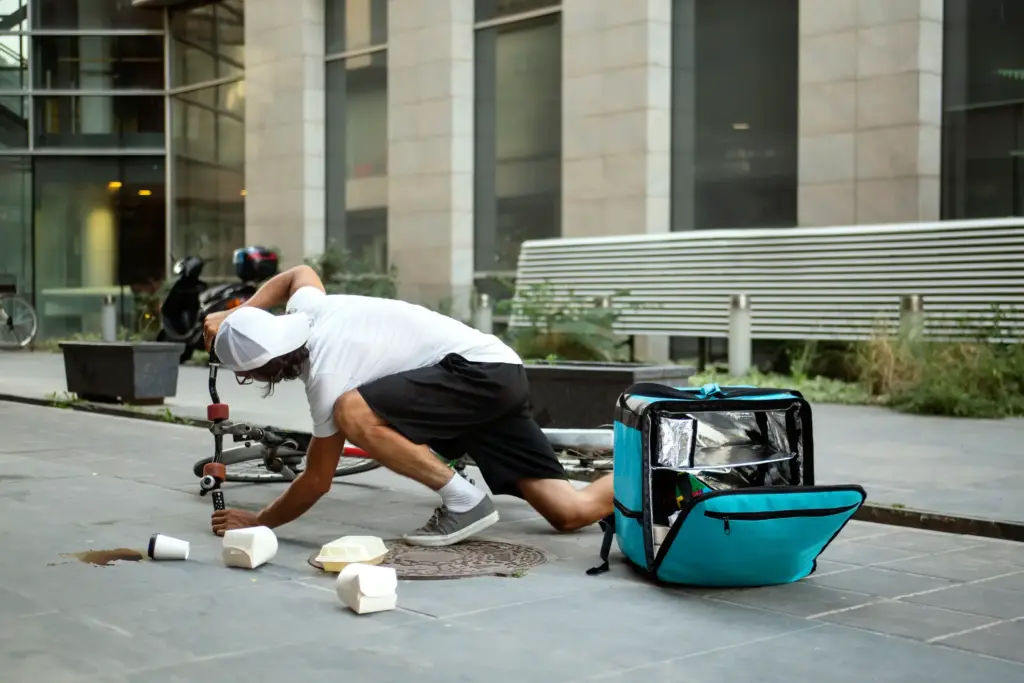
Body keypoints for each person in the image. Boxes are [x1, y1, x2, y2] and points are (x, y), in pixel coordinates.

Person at [203, 264, 614, 547]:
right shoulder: (307, 309)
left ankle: (464, 502)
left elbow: (316, 480)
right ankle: (650, 471)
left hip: (475, 374)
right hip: (487, 379)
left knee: (353, 412)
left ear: (261, 374)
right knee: (569, 511)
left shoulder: (328, 376)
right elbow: (298, 274)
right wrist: (238, 317)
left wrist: (260, 522)